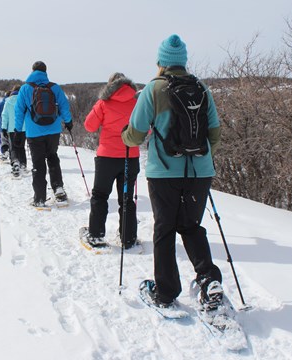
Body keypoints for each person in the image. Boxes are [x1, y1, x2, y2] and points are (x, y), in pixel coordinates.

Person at [121, 34, 223, 311]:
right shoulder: (201, 88)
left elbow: (136, 133)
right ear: (183, 61)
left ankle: (166, 292)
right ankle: (209, 281)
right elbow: (214, 132)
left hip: (164, 172)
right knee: (191, 226)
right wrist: (200, 156)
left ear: (161, 62)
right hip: (200, 173)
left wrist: (126, 137)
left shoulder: (154, 89)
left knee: (165, 229)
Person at [82, 72, 140, 249]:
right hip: (130, 157)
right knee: (127, 198)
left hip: (107, 157)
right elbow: (147, 130)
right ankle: (128, 238)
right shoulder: (137, 103)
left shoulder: (104, 103)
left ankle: (96, 235)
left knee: (100, 196)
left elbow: (89, 126)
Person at [14, 61, 73, 205]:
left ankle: (39, 197)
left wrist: (17, 130)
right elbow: (64, 106)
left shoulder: (25, 88)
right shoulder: (54, 87)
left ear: (32, 71)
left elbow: (19, 111)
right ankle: (58, 189)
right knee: (52, 157)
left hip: (34, 132)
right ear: (45, 72)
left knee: (38, 163)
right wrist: (68, 122)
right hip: (53, 130)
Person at [1, 85, 27, 177]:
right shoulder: (23, 101)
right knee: (21, 146)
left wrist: (3, 127)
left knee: (13, 147)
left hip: (11, 129)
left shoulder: (7, 101)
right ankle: (23, 164)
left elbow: (4, 115)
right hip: (23, 128)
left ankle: (15, 162)